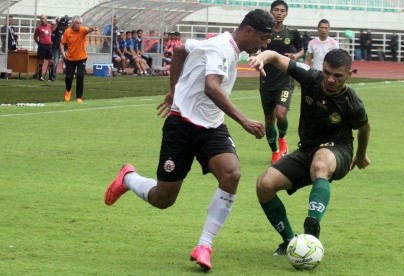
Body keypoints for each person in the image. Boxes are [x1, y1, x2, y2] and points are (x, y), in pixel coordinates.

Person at [104, 9, 275, 271]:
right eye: (262, 39)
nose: (262, 45)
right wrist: (244, 120)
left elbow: (182, 50)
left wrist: (174, 89)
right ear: (248, 31)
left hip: (212, 128)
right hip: (181, 126)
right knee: (164, 199)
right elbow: (212, 87)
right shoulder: (220, 48)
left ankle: (204, 245)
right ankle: (128, 178)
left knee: (232, 174)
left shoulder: (219, 44)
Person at [248, 48, 371, 255]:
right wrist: (261, 58)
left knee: (320, 162)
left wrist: (360, 155)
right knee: (264, 185)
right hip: (307, 150)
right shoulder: (310, 77)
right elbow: (276, 57)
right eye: (327, 73)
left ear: (348, 75)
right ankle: (290, 241)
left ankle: (312, 226)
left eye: (337, 76)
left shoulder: (351, 102)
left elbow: (365, 128)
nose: (330, 80)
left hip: (338, 149)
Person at [260, 0, 304, 164]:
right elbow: (257, 48)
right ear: (271, 12)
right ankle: (275, 152)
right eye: (276, 10)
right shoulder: (264, 32)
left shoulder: (292, 33)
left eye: (282, 11)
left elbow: (301, 50)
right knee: (270, 119)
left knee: (281, 113)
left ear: (286, 13)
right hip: (266, 80)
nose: (279, 13)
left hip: (285, 80)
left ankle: (283, 139)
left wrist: (296, 56)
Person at [60, 16, 98, 103]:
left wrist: (92, 29)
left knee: (80, 76)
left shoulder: (82, 30)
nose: (79, 25)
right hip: (70, 58)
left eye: (80, 23)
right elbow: (62, 44)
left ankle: (79, 97)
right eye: (77, 23)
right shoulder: (68, 31)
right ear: (73, 23)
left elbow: (88, 30)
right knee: (68, 77)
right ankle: (68, 90)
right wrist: (63, 52)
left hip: (82, 58)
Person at [34, 15, 56, 81]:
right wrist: (39, 43)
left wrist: (55, 24)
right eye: (41, 18)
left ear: (46, 19)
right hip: (42, 46)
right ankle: (40, 76)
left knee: (51, 61)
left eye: (44, 18)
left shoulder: (49, 26)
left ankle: (51, 76)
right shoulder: (38, 28)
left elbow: (53, 30)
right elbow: (35, 37)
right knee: (41, 61)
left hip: (49, 46)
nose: (42, 19)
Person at [50, 16, 68, 81]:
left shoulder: (68, 30)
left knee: (67, 62)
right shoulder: (57, 28)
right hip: (57, 47)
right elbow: (52, 31)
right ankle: (53, 76)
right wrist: (56, 23)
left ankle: (69, 75)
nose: (63, 26)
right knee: (55, 62)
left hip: (64, 48)